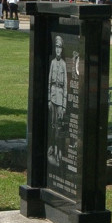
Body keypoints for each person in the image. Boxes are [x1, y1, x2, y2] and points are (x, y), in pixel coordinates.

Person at [48, 35, 67, 166]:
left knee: (59, 128)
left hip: (60, 99)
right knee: (53, 126)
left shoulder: (64, 64)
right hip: (53, 98)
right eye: (56, 47)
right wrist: (49, 99)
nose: (58, 50)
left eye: (60, 47)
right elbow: (50, 81)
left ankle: (59, 151)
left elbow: (65, 85)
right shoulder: (53, 63)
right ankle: (53, 150)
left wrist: (64, 104)